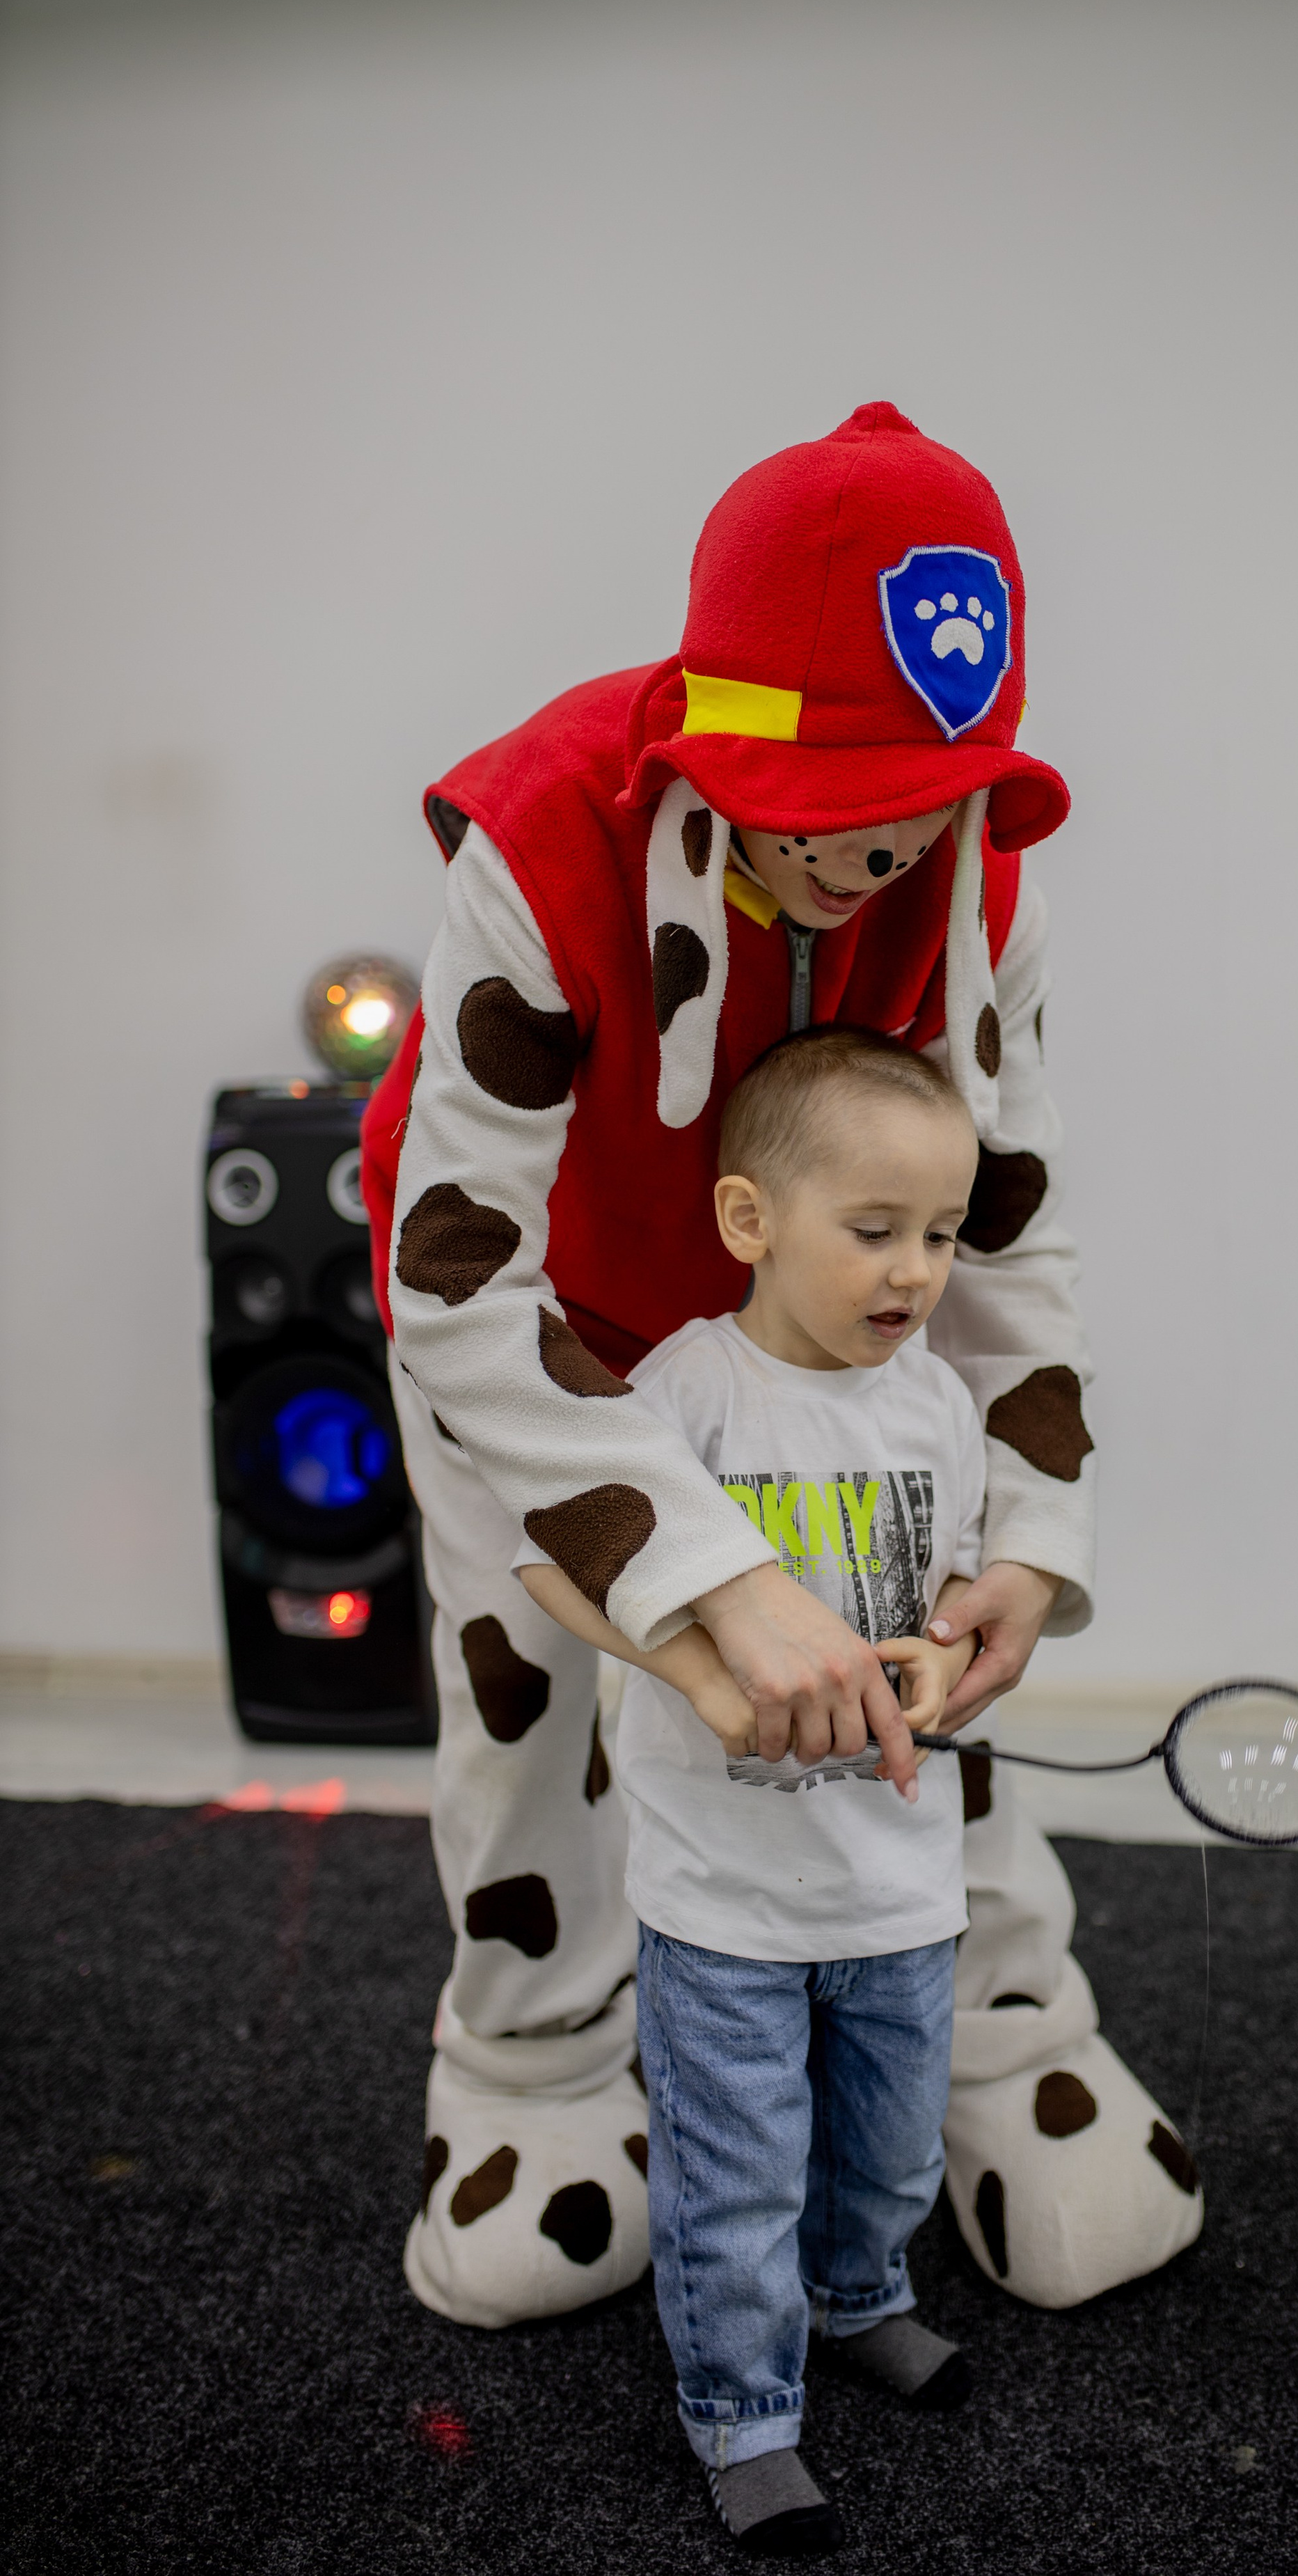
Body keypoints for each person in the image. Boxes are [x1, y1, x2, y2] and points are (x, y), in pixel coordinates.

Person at [361, 400, 1203, 2337]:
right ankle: (537, 2069)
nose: (884, 850)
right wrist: (709, 1584)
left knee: (917, 1631)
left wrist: (1028, 1543)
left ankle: (993, 2022)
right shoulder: (547, 836)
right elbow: (467, 1283)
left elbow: (1008, 1233)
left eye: (921, 793)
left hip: (819, 1295)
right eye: (835, 805)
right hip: (533, 1296)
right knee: (529, 1685)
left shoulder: (985, 876)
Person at [518, 1025, 989, 2554]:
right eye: (873, 1232)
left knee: (892, 2147)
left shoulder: (941, 1408)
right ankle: (741, 2411)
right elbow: (550, 1561)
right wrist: (701, 1675)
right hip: (722, 1902)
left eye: (939, 1234)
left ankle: (862, 2300)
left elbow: (952, 1601)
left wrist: (940, 1665)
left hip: (899, 1885)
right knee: (734, 2179)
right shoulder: (685, 1396)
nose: (911, 1272)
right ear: (749, 1223)